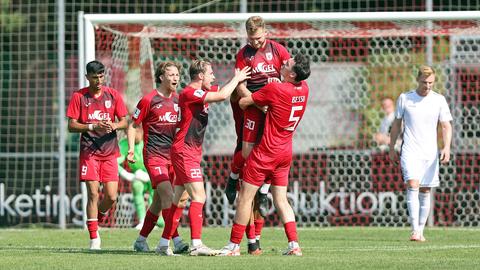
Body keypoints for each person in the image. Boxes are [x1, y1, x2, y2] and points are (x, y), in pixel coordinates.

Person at [219, 53, 311, 256]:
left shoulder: (276, 88)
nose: (283, 62)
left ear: (293, 74)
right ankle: (294, 244)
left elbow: (243, 103)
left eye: (287, 64)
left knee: (245, 198)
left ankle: (233, 246)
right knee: (281, 199)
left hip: (265, 153)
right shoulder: (304, 89)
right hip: (285, 153)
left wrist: (242, 85)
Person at [158, 59, 250, 256]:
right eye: (210, 73)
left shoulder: (199, 91)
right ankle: (196, 244)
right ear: (200, 76)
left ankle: (164, 243)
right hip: (185, 151)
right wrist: (237, 78)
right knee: (199, 196)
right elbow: (223, 94)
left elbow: (225, 90)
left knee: (179, 200)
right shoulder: (189, 93)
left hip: (188, 151)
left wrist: (239, 83)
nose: (213, 77)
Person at [225, 15, 291, 253]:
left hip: (273, 109)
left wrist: (276, 100)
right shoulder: (244, 54)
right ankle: (232, 178)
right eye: (251, 38)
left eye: (258, 38)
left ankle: (263, 194)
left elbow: (289, 77)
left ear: (266, 33)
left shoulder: (279, 51)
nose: (255, 42)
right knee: (246, 153)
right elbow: (240, 85)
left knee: (272, 156)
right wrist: (253, 100)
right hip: (253, 107)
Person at [128, 61, 189, 255]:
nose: (175, 78)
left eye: (177, 74)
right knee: (169, 197)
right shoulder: (148, 100)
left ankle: (141, 240)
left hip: (174, 157)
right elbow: (132, 125)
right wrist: (130, 149)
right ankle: (175, 241)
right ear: (161, 77)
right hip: (154, 156)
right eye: (171, 74)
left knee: (158, 201)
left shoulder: (180, 100)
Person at [67, 60, 128, 250]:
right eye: (95, 77)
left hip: (110, 152)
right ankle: (94, 238)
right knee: (93, 193)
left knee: (111, 197)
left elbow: (125, 121)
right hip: (89, 152)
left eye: (101, 76)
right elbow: (71, 125)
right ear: (87, 77)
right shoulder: (79, 96)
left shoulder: (113, 95)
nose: (99, 81)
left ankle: (96, 220)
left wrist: (115, 125)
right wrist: (93, 126)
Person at [388, 65, 452, 242]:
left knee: (425, 190)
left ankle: (421, 230)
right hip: (410, 150)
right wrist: (391, 146)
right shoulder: (405, 98)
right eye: (425, 82)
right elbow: (396, 124)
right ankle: (415, 230)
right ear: (418, 80)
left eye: (431, 82)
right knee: (412, 184)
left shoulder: (439, 100)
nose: (428, 85)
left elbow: (446, 125)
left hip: (430, 152)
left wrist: (446, 147)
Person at [117, 127, 164, 230]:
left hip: (154, 174)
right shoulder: (125, 144)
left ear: (142, 130)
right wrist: (128, 175)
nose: (133, 135)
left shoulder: (151, 140)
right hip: (139, 177)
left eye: (136, 131)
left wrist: (151, 174)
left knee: (156, 194)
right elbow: (115, 163)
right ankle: (143, 220)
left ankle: (157, 220)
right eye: (128, 132)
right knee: (136, 185)